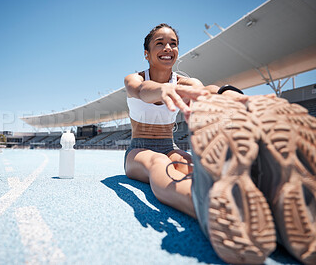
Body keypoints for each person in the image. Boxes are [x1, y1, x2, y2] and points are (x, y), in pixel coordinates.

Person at [124, 23, 316, 265]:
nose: (167, 47)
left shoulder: (185, 82)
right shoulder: (135, 78)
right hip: (139, 149)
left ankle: (271, 204)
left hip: (170, 144)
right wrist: (163, 90)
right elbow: (141, 90)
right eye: (159, 43)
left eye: (173, 43)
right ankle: (207, 207)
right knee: (158, 163)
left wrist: (234, 96)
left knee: (203, 168)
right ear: (147, 53)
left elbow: (207, 90)